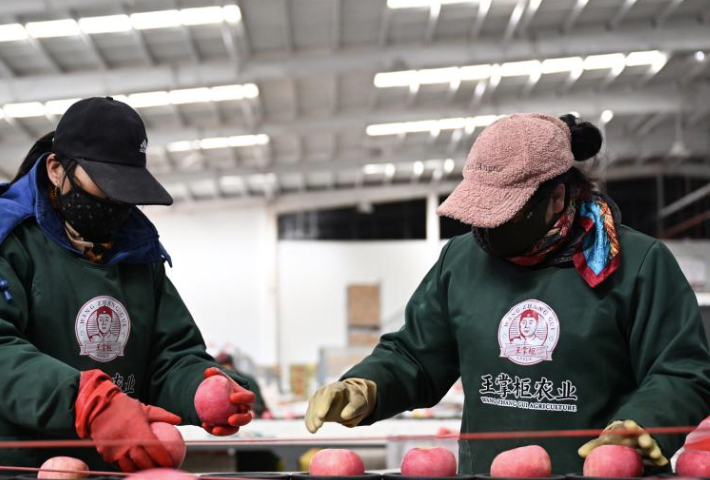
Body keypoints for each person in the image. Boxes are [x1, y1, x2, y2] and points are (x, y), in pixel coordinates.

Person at [304, 113, 710, 474]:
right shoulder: (461, 261)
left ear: (556, 197)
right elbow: (415, 356)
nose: (486, 230)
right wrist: (367, 386)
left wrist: (643, 425)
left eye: (504, 214)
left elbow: (683, 370)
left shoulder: (636, 263)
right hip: (486, 473)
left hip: (598, 473)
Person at [0, 97, 255, 474]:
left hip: (89, 466)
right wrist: (89, 401)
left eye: (126, 189)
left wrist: (199, 389)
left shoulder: (138, 254)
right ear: (57, 168)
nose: (116, 203)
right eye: (105, 186)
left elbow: (169, 355)